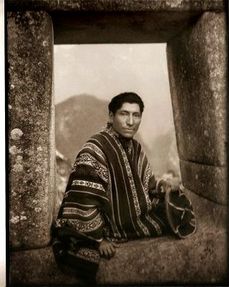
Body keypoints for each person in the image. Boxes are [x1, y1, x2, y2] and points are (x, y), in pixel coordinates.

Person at [52, 92, 196, 283]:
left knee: (176, 209)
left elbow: (148, 183)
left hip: (129, 216)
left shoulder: (135, 148)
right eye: (124, 114)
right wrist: (98, 239)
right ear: (111, 116)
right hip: (106, 225)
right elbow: (84, 197)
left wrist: (163, 186)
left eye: (136, 115)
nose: (130, 121)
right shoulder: (94, 149)